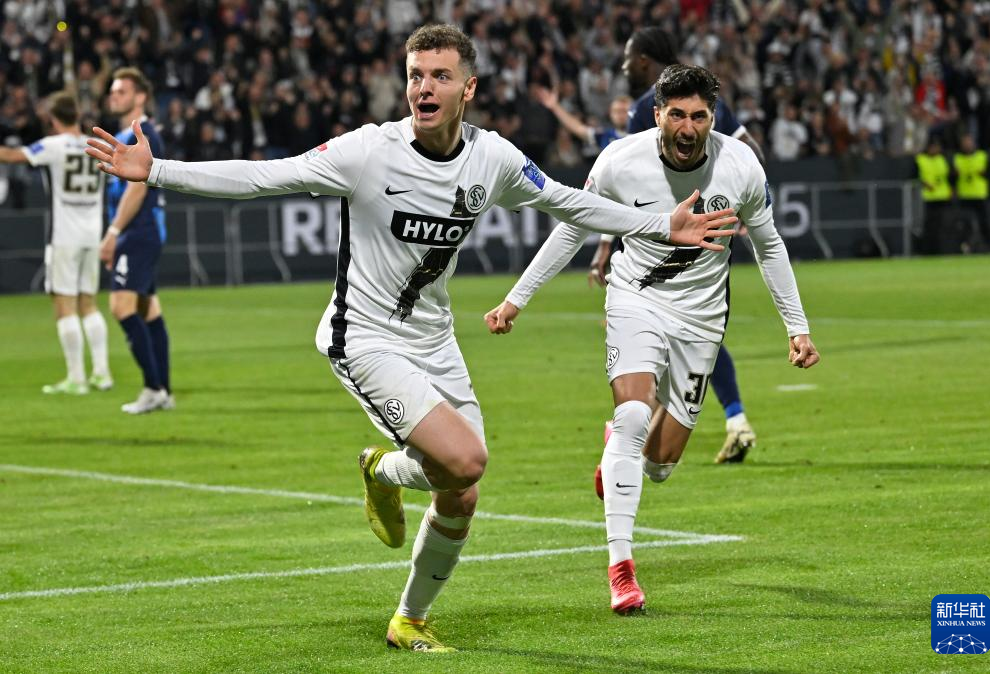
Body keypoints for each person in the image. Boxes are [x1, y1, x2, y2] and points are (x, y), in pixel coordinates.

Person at [85, 25, 736, 652]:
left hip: (434, 338)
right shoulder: (368, 151)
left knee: (462, 491)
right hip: (364, 336)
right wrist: (156, 170)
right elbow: (264, 177)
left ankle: (409, 618)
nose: (424, 87)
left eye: (440, 76)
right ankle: (382, 470)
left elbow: (569, 202)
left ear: (468, 88)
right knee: (467, 461)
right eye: (415, 75)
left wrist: (659, 225)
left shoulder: (492, 158)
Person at [485, 64, 819, 615]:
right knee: (635, 415)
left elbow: (769, 245)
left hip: (702, 319)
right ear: (657, 113)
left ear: (713, 118)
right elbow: (573, 226)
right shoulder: (619, 162)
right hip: (635, 299)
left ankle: (618, 448)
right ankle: (621, 569)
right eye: (677, 115)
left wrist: (797, 326)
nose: (688, 129)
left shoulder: (740, 166)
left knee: (660, 464)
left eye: (700, 117)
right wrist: (516, 298)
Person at [590, 26, 766, 464]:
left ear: (644, 60)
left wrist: (605, 247)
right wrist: (750, 203)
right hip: (703, 244)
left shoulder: (645, 110)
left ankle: (628, 436)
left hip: (666, 250)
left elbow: (624, 194)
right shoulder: (708, 100)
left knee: (681, 338)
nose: (625, 67)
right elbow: (751, 148)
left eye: (629, 59)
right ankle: (732, 419)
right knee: (697, 335)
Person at [0, 91, 113, 395]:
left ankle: (76, 378)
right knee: (89, 303)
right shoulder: (95, 145)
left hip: (64, 236)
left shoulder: (53, 145)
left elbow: (12, 155)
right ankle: (102, 374)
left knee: (64, 306)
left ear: (52, 118)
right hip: (93, 233)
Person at [101, 67, 174, 414]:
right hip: (142, 231)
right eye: (113, 91)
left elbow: (136, 190)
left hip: (138, 232)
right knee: (148, 309)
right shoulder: (126, 134)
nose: (114, 96)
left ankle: (153, 388)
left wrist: (113, 233)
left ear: (140, 96)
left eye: (122, 91)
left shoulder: (142, 135)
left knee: (121, 307)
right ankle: (164, 392)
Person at [532, 86, 632, 155]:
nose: (620, 115)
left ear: (633, 113)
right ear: (610, 114)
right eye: (616, 111)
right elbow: (578, 128)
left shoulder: (640, 136)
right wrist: (555, 107)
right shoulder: (605, 136)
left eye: (624, 111)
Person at [952, 134, 990, 252]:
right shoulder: (957, 158)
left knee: (984, 222)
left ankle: (986, 246)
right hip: (964, 195)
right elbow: (952, 177)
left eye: (969, 142)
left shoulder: (982, 156)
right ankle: (966, 246)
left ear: (974, 143)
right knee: (965, 223)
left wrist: (985, 173)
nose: (967, 145)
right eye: (965, 143)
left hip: (980, 194)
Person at [915, 136, 953, 254]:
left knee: (943, 225)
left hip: (943, 197)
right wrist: (923, 183)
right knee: (928, 226)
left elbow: (950, 176)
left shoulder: (943, 159)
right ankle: (928, 251)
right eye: (933, 147)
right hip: (927, 198)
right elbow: (913, 176)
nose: (935, 149)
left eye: (937, 147)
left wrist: (951, 189)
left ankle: (943, 250)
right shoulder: (920, 159)